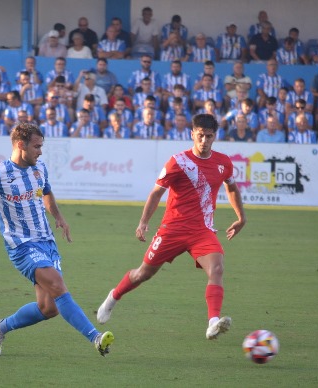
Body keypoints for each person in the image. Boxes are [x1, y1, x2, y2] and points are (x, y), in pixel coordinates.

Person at [0, 123, 114, 356]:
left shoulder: (40, 168)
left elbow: (45, 192)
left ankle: (0, 327)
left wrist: (59, 217)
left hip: (47, 242)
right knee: (57, 284)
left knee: (49, 308)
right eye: (36, 146)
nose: (40, 151)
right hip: (22, 246)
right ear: (20, 145)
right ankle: (95, 337)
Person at [97, 113, 245, 341]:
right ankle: (113, 297)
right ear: (192, 134)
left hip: (202, 231)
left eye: (209, 136)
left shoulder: (223, 162)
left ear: (215, 136)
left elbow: (231, 188)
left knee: (217, 269)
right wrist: (144, 222)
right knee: (143, 274)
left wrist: (240, 217)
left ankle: (213, 322)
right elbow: (157, 192)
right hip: (172, 229)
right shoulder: (179, 162)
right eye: (200, 136)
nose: (204, 141)